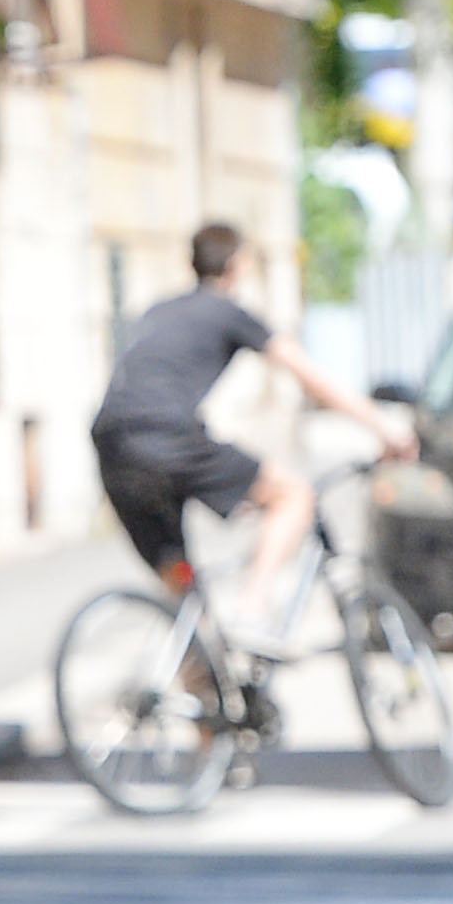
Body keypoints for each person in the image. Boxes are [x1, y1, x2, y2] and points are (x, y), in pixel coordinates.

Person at [90, 218, 413, 626]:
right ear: (237, 265)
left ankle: (193, 657)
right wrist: (386, 428)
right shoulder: (228, 312)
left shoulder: (158, 311)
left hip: (111, 445)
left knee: (183, 587)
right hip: (167, 435)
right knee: (293, 496)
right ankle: (252, 612)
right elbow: (311, 378)